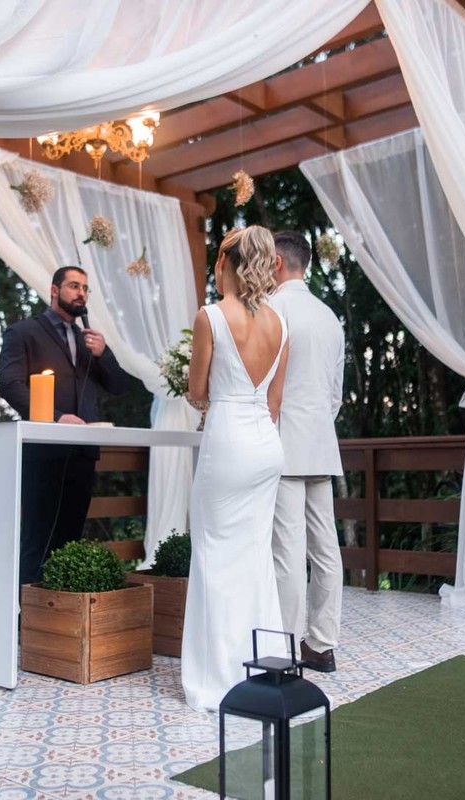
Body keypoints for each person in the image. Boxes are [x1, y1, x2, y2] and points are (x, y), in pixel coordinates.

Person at [181, 227, 289, 712]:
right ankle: (263, 664)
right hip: (267, 446)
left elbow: (196, 390)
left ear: (226, 262)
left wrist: (212, 397)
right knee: (253, 560)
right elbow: (274, 402)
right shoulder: (280, 324)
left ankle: (217, 679)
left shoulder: (210, 316)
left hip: (227, 443)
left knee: (212, 558)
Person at [0, 266, 130, 587]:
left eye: (85, 288)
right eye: (74, 286)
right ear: (54, 290)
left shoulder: (90, 340)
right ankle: (26, 618)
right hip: (44, 450)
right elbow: (10, 385)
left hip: (83, 453)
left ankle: (57, 618)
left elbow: (118, 385)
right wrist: (56, 418)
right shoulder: (24, 332)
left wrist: (104, 354)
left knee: (70, 537)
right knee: (37, 537)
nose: (81, 293)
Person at [268, 231, 345, 673]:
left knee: (288, 551)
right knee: (326, 549)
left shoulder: (274, 310)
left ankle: (284, 646)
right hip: (320, 442)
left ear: (276, 263)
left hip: (283, 444)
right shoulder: (329, 317)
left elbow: (265, 385)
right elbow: (335, 395)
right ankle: (321, 645)